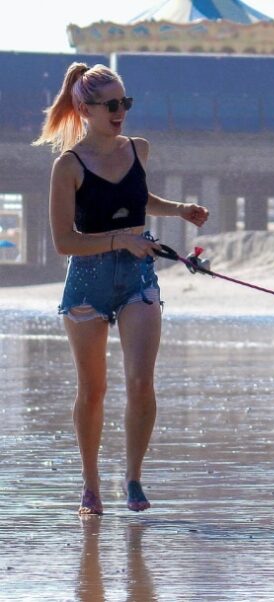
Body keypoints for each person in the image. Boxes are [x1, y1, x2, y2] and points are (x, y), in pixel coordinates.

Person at [33, 62, 209, 515]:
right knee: (93, 391)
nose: (120, 111)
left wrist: (178, 210)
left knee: (140, 382)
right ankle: (91, 485)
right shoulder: (67, 166)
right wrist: (120, 240)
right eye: (111, 104)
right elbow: (62, 241)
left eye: (125, 102)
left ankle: (132, 478)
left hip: (138, 278)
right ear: (84, 108)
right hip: (87, 281)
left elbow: (137, 197)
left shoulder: (139, 149)